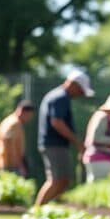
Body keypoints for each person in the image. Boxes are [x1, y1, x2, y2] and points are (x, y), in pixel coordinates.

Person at [34, 71, 93, 207]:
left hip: (54, 144)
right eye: (80, 90)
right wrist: (77, 142)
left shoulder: (57, 96)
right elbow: (57, 122)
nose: (80, 94)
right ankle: (37, 212)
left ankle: (47, 210)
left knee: (63, 180)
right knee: (56, 180)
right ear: (73, 84)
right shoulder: (61, 97)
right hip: (54, 145)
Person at [0, 100, 35, 175]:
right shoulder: (14, 123)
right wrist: (19, 164)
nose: (29, 119)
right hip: (9, 164)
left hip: (5, 161)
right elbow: (8, 140)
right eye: (29, 116)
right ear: (22, 111)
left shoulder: (11, 121)